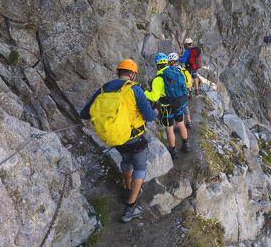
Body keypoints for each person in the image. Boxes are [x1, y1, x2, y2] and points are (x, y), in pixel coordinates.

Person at [80, 59, 156, 223]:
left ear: (118, 72)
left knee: (126, 160)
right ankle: (131, 206)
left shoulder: (104, 89)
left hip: (115, 138)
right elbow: (149, 116)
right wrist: (155, 111)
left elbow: (84, 114)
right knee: (140, 167)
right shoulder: (135, 90)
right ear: (133, 74)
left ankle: (128, 188)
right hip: (134, 138)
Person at [145, 53, 190, 159]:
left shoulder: (158, 79)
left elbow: (154, 97)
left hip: (167, 107)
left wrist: (144, 93)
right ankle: (186, 145)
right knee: (181, 124)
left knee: (169, 129)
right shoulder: (176, 71)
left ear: (157, 65)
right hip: (179, 103)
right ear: (166, 63)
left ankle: (173, 152)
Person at [168, 52, 193, 128]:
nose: (169, 63)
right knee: (185, 106)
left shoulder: (170, 71)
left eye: (170, 61)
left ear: (173, 61)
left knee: (177, 108)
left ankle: (178, 124)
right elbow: (188, 81)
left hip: (175, 93)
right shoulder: (183, 70)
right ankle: (188, 121)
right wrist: (189, 90)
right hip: (184, 92)